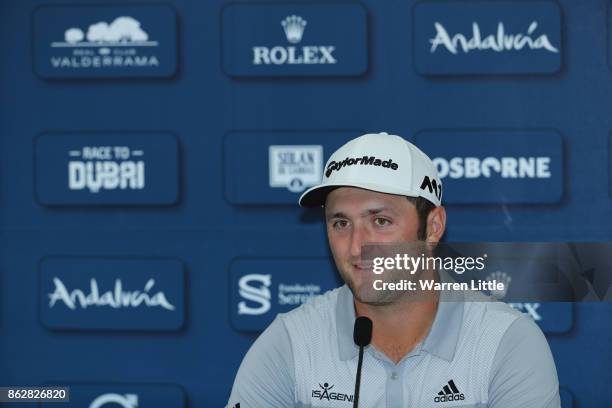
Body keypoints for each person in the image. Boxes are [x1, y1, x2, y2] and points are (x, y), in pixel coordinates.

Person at [226, 132, 560, 407]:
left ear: (432, 227)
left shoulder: (506, 342)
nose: (357, 246)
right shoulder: (291, 342)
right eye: (341, 223)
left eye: (380, 221)